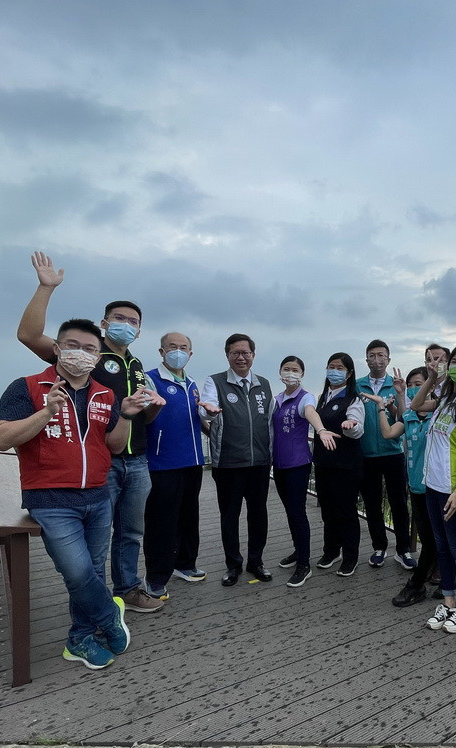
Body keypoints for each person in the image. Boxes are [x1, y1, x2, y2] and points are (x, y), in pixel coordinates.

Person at [0, 318, 149, 669]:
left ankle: (79, 639)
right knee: (77, 573)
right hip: (50, 499)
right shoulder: (28, 387)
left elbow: (109, 443)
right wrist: (47, 411)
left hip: (97, 495)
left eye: (90, 349)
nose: (82, 353)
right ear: (58, 348)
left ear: (97, 356)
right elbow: (2, 438)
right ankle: (109, 615)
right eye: (73, 345)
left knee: (92, 570)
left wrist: (124, 415)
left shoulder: (104, 394)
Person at [16, 252, 164, 614]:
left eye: (133, 322)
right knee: (92, 546)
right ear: (104, 322)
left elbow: (129, 416)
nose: (126, 325)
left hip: (137, 460)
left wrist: (152, 410)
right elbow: (29, 335)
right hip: (100, 464)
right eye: (119, 319)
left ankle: (127, 587)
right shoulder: (84, 355)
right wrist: (45, 288)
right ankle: (96, 610)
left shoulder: (136, 364)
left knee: (131, 533)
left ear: (140, 331)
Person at [411, 342, 456, 634]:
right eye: (455, 361)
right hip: (433, 485)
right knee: (441, 546)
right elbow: (416, 406)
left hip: (453, 490)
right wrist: (430, 377)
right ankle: (449, 601)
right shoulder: (444, 399)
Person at [141, 332, 211, 601]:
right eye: (172, 347)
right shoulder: (150, 379)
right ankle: (156, 577)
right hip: (162, 463)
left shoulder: (192, 383)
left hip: (193, 461)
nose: (178, 352)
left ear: (190, 354)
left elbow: (197, 420)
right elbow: (143, 417)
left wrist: (211, 420)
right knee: (161, 522)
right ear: (161, 352)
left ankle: (185, 563)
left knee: (188, 516)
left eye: (184, 348)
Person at [201, 333, 274, 586]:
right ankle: (233, 565)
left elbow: (270, 420)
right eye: (235, 353)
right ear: (227, 355)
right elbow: (207, 406)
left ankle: (256, 562)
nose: (241, 357)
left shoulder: (263, 384)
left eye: (246, 353)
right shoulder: (215, 382)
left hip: (260, 463)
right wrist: (208, 411)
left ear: (253, 355)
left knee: (258, 515)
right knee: (229, 516)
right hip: (228, 463)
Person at [271, 356, 339, 588]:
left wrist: (321, 430)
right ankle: (298, 550)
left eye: (295, 370)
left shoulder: (305, 397)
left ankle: (304, 564)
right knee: (290, 512)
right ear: (280, 372)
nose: (290, 373)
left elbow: (310, 412)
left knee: (298, 512)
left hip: (298, 465)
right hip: (278, 465)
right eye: (286, 369)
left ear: (302, 374)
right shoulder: (278, 399)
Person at [375, 368, 437, 607]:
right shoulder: (410, 418)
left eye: (418, 383)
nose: (414, 387)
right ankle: (432, 581)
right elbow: (389, 432)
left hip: (436, 487)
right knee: (429, 537)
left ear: (429, 387)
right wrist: (381, 406)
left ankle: (417, 583)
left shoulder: (438, 416)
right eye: (411, 383)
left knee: (434, 539)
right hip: (416, 488)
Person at [357, 340, 416, 570]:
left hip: (393, 452)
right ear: (366, 360)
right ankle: (379, 546)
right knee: (372, 503)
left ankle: (403, 550)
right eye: (372, 355)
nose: (377, 359)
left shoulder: (396, 384)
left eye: (381, 355)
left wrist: (398, 400)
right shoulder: (357, 385)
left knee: (399, 502)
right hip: (366, 453)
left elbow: (404, 417)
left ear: (388, 359)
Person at [312, 353, 366, 576]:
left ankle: (350, 556)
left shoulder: (353, 399)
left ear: (349, 373)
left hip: (345, 466)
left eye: (340, 368)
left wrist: (350, 425)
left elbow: (358, 429)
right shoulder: (323, 397)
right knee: (327, 510)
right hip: (324, 464)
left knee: (345, 511)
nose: (334, 371)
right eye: (331, 366)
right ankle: (331, 551)